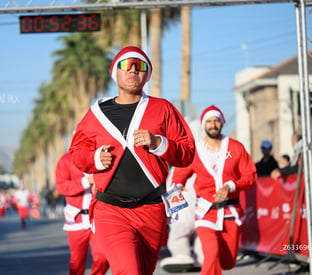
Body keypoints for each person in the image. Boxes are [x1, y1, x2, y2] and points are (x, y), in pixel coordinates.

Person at [68, 46, 196, 275]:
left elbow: (187, 152)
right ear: (115, 72)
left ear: (148, 75)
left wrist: (159, 143)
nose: (133, 71)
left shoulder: (162, 108)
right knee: (129, 272)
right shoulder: (97, 113)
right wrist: (96, 158)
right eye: (126, 65)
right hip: (111, 209)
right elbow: (76, 153)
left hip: (152, 209)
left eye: (141, 67)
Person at [171, 105, 257, 275]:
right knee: (211, 254)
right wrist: (178, 184)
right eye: (209, 121)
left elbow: (250, 177)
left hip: (231, 212)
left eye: (216, 121)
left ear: (222, 123)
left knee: (228, 261)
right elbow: (180, 172)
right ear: (204, 125)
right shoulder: (195, 151)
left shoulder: (235, 148)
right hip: (205, 212)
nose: (212, 124)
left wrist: (231, 186)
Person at [160, 120, 204, 273]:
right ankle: (201, 257)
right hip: (204, 205)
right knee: (202, 232)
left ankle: (182, 254)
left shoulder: (183, 158)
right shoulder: (207, 157)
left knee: (179, 231)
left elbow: (174, 185)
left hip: (184, 204)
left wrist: (173, 210)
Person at [55, 152, 109, 275]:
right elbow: (61, 186)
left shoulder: (100, 156)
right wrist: (86, 181)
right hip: (76, 219)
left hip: (97, 218)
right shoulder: (65, 160)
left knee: (103, 257)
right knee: (77, 262)